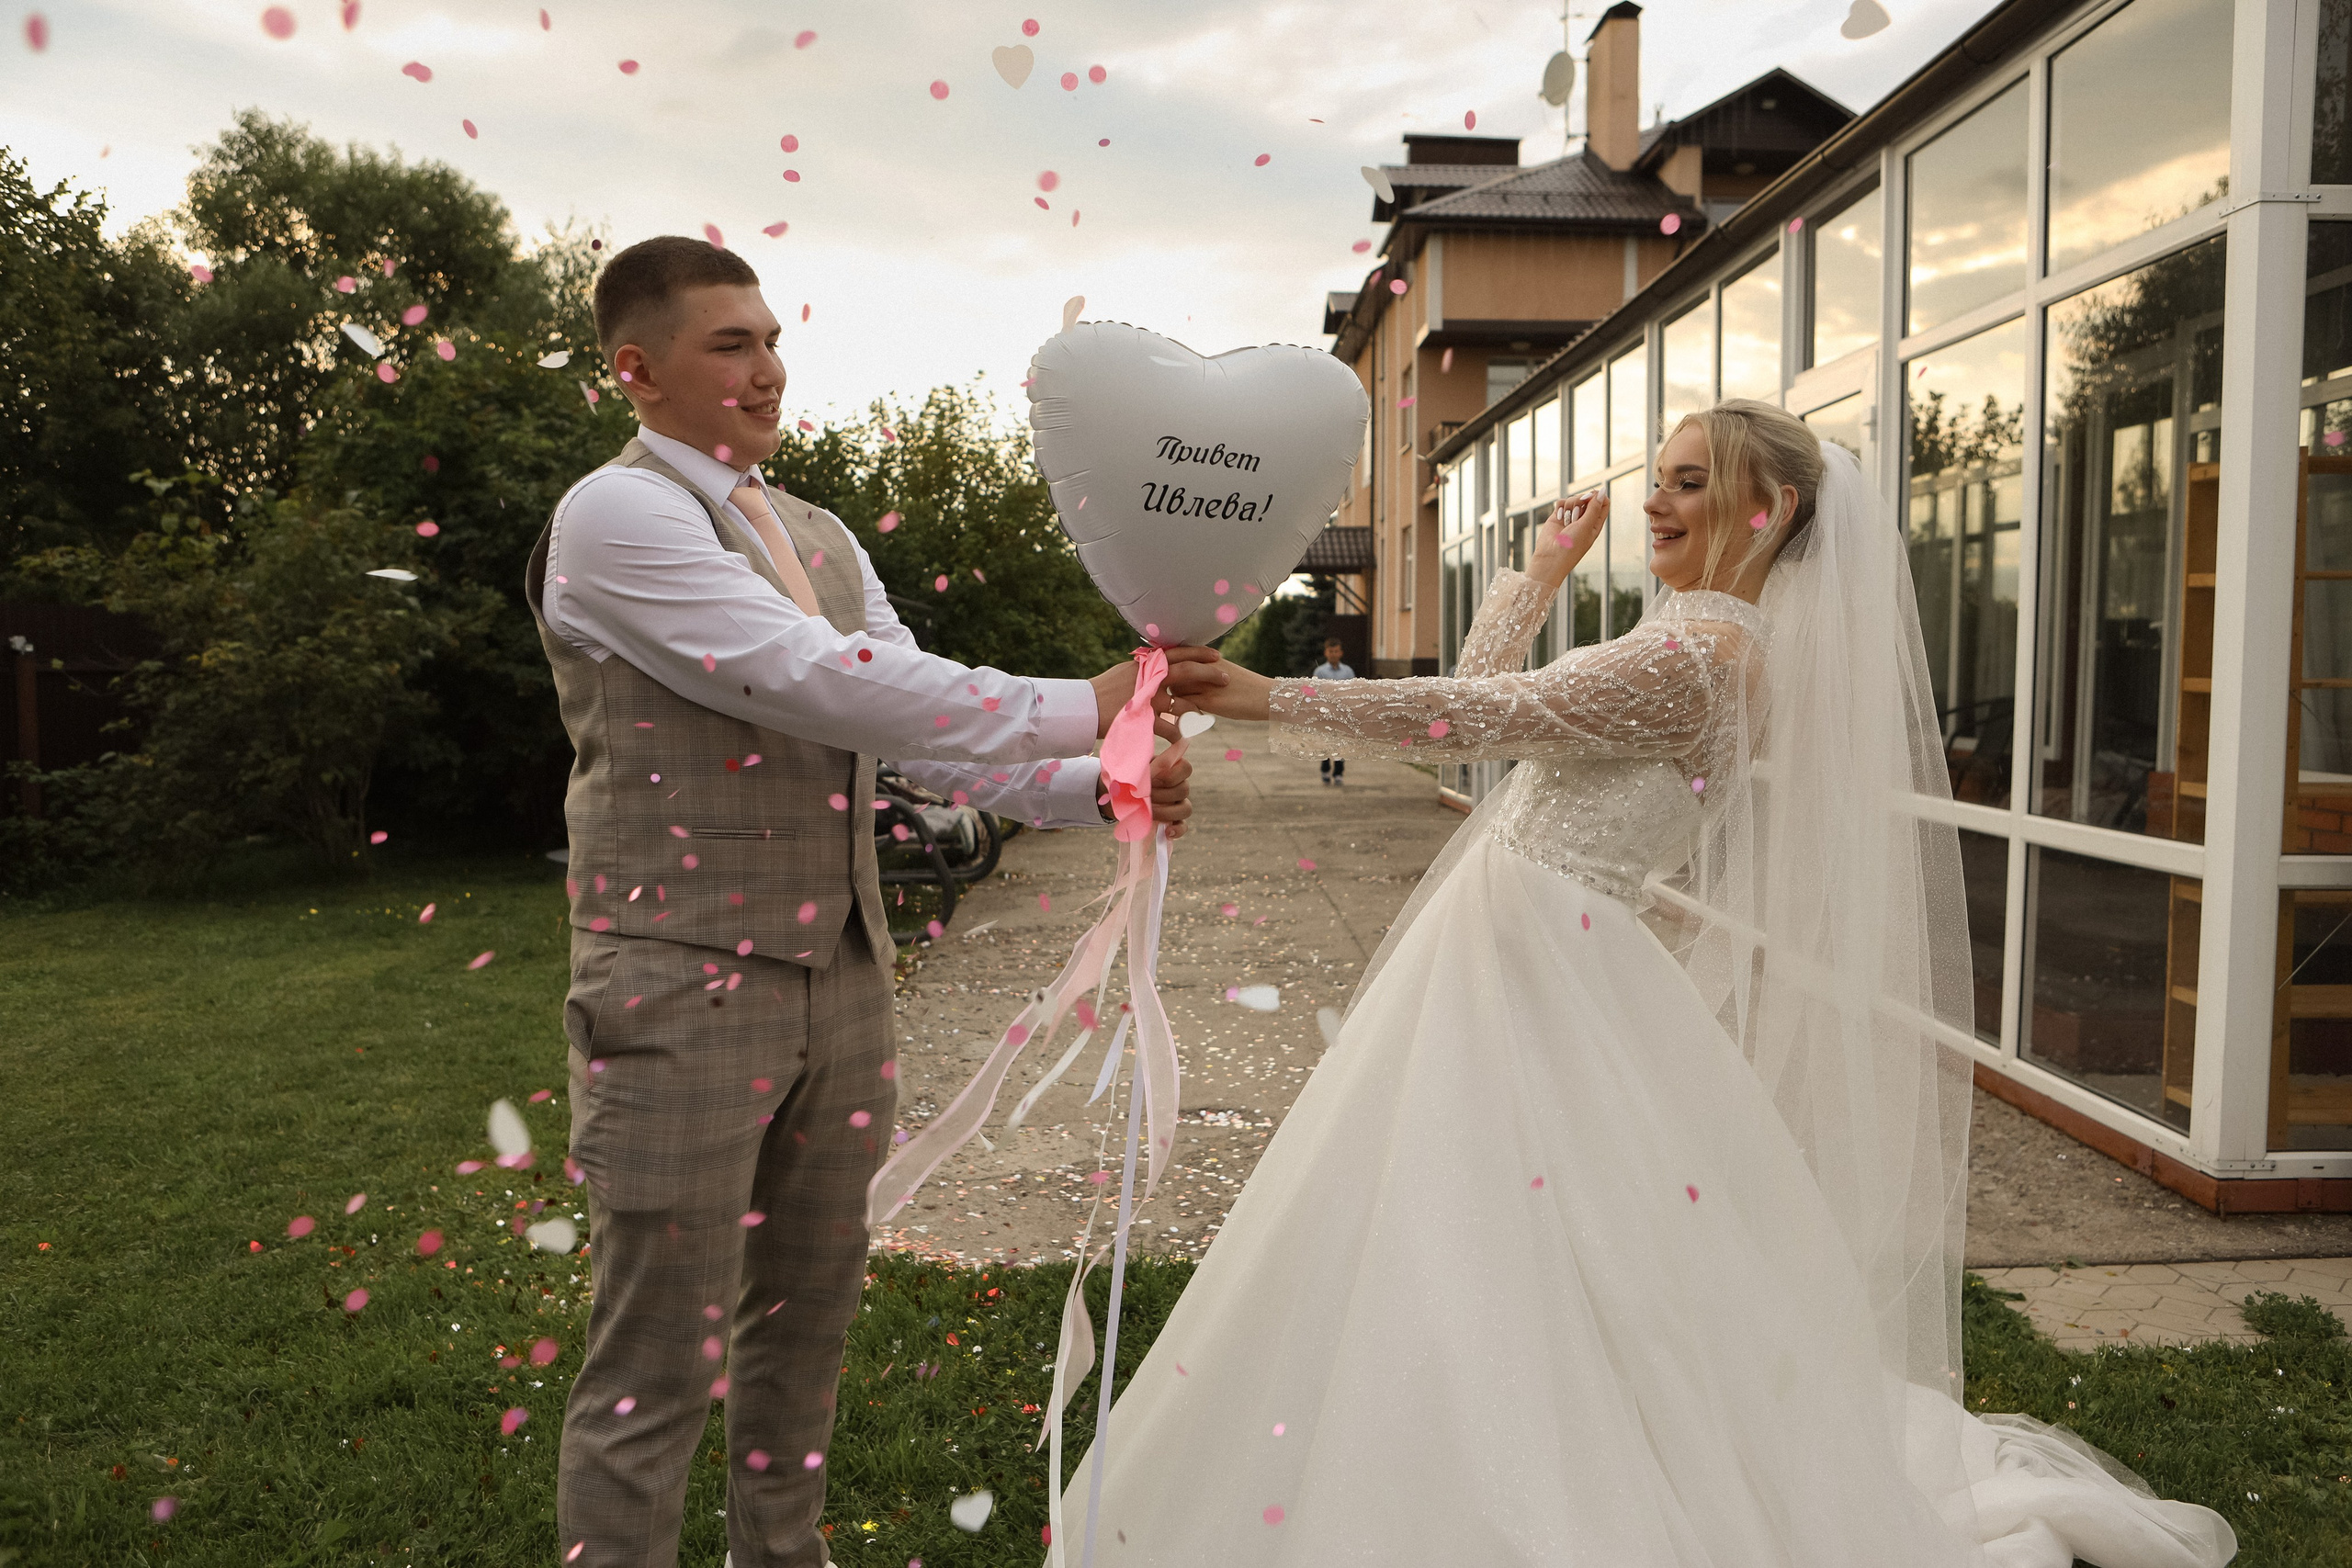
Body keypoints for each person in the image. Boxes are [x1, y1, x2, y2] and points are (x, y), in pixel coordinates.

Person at [1084, 400, 2238, 1566]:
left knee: (1505, 1226)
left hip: (1549, 956)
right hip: (1526, 949)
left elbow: (1480, 715)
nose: (1654, 501)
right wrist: (1537, 575)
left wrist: (1267, 693)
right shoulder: (1682, 634)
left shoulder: (1701, 655)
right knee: (1462, 1215)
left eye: (1690, 483)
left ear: (1770, 508)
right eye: (1662, 479)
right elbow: (1494, 711)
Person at [526, 235, 1208, 1568]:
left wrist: (1099, 787)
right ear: (636, 369)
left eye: (773, 338)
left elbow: (910, 733)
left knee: (809, 1315)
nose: (768, 367)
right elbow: (806, 679)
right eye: (731, 343)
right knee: (655, 1348)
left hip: (842, 975)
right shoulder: (618, 518)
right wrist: (1090, 697)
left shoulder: (821, 534)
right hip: (676, 974)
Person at [1308, 637, 1354, 785]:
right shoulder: (1320, 671)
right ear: (1326, 653)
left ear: (1341, 653)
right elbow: (1315, 692)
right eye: (1331, 651)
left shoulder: (1347, 671)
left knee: (1340, 744)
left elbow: (1354, 690)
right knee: (1325, 743)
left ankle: (1339, 772)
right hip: (1325, 713)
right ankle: (1325, 769)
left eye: (1336, 651)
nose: (1334, 654)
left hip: (1342, 713)